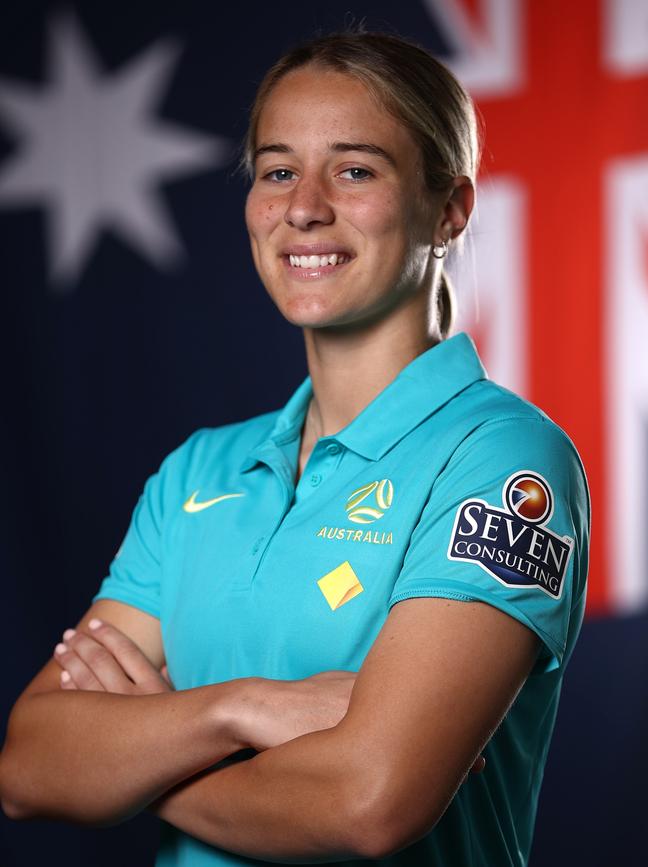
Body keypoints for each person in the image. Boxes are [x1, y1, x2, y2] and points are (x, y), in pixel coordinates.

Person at [0, 30, 589, 866]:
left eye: (355, 170)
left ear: (449, 208)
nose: (303, 207)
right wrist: (241, 708)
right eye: (278, 170)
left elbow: (368, 802)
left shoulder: (502, 461)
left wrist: (135, 755)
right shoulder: (197, 472)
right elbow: (30, 764)